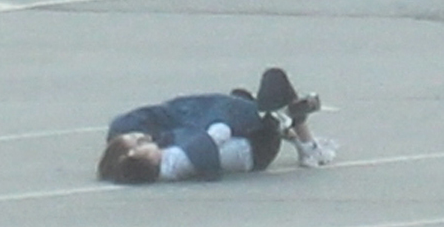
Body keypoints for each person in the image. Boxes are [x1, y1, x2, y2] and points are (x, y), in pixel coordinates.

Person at [97, 68, 336, 184]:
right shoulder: (178, 159)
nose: (146, 138)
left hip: (249, 143)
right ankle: (303, 141)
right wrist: (211, 120)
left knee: (243, 96)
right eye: (140, 144)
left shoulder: (166, 153)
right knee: (275, 80)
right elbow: (216, 135)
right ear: (136, 158)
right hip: (258, 148)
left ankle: (288, 123)